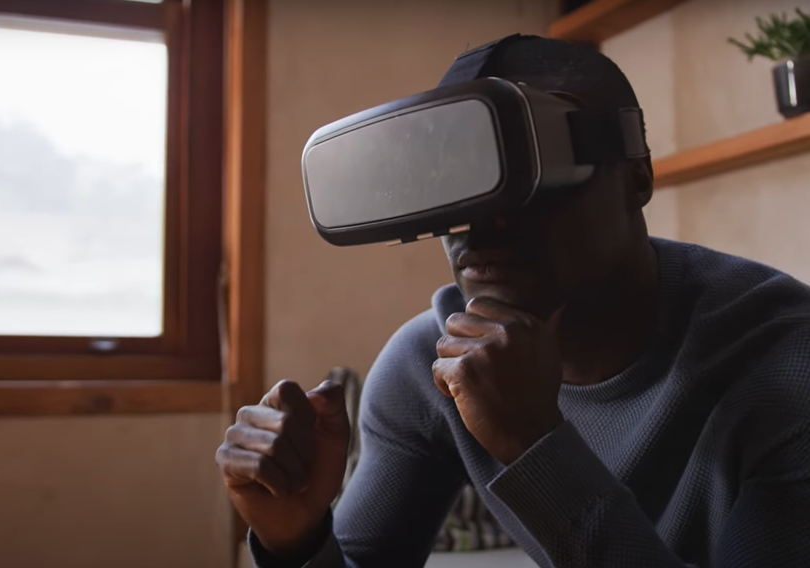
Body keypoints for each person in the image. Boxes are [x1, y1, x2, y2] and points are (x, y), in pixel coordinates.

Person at [216, 35, 810, 568]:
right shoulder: (429, 363)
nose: (484, 221)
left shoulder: (786, 360)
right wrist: (294, 541)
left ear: (636, 177)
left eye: (529, 171)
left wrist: (536, 447)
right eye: (457, 181)